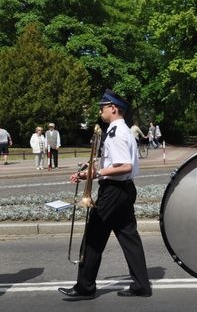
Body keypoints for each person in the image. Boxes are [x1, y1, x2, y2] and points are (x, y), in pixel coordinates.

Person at [58, 89, 151, 299]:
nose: (101, 111)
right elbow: (115, 164)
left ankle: (85, 287)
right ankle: (141, 285)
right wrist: (88, 172)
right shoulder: (119, 131)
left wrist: (97, 173)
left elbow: (124, 166)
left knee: (93, 237)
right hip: (123, 190)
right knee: (129, 237)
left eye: (103, 107)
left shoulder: (117, 133)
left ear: (113, 108)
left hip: (114, 192)